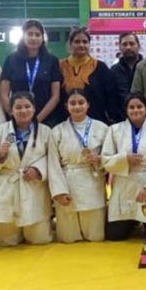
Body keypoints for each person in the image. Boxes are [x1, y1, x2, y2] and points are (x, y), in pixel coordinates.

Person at [0, 91, 53, 246]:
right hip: (6, 187)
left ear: (34, 109)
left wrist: (38, 170)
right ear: (11, 111)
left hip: (33, 187)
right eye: (18, 107)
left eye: (27, 106)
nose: (23, 110)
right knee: (7, 241)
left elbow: (54, 159)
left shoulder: (46, 132)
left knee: (39, 239)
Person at [101, 93, 146, 241]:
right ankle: (131, 222)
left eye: (139, 106)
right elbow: (105, 160)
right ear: (126, 110)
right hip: (123, 184)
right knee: (114, 236)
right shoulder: (114, 130)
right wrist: (124, 159)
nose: (135, 110)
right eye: (131, 107)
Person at [48, 89, 109, 243]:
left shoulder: (102, 128)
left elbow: (111, 157)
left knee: (96, 237)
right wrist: (59, 192)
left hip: (92, 182)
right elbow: (53, 165)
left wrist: (100, 160)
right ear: (66, 106)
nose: (77, 107)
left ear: (88, 104)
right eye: (72, 103)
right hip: (68, 183)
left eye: (81, 102)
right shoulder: (57, 131)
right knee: (68, 239)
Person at [0, 19, 62, 127]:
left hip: (46, 120)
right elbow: (4, 93)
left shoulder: (52, 61)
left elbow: (55, 96)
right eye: (30, 34)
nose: (34, 38)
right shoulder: (11, 60)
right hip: (18, 118)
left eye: (37, 35)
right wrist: (14, 114)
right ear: (23, 36)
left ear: (43, 38)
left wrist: (37, 120)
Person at [59, 27, 120, 125]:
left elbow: (111, 97)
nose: (81, 45)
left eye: (85, 42)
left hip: (96, 124)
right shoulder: (59, 66)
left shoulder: (100, 67)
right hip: (64, 123)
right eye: (77, 42)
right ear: (69, 44)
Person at [110, 32, 143, 122]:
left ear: (138, 46)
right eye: (125, 44)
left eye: (132, 44)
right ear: (120, 47)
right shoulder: (113, 71)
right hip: (120, 121)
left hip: (145, 120)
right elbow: (111, 98)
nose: (128, 47)